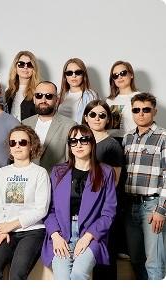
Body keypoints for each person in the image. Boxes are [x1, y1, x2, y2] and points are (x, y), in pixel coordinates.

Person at [42, 125, 117, 279]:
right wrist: (55, 236)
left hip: (91, 235)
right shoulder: (58, 172)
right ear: (69, 146)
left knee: (78, 273)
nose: (79, 145)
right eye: (73, 141)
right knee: (62, 277)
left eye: (84, 140)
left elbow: (108, 213)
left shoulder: (106, 172)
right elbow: (49, 210)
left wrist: (88, 236)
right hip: (62, 234)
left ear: (92, 143)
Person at [0, 125, 50, 279]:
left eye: (22, 142)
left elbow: (41, 209)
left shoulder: (40, 173)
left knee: (17, 274)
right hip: (5, 230)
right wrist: (2, 227)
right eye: (13, 143)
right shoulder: (2, 173)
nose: (17, 146)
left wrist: (10, 226)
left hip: (32, 232)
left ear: (31, 145)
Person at [123, 93, 166, 280]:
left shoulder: (163, 137)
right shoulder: (128, 138)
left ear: (154, 111)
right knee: (135, 258)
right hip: (130, 205)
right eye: (136, 110)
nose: (141, 114)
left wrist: (161, 209)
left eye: (146, 109)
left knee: (154, 262)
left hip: (152, 207)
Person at [83, 101, 127, 279]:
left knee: (104, 257)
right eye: (93, 114)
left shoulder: (112, 145)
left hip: (103, 208)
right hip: (84, 205)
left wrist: (97, 207)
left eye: (102, 115)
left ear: (108, 119)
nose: (97, 118)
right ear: (86, 117)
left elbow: (114, 183)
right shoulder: (81, 141)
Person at [22, 82, 77, 172]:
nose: (43, 100)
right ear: (34, 99)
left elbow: (71, 161)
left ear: (57, 100)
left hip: (56, 181)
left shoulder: (70, 125)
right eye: (39, 95)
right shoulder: (24, 124)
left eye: (49, 96)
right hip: (28, 180)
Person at [106, 61, 140, 140]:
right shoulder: (110, 101)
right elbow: (111, 128)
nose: (119, 77)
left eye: (123, 73)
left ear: (131, 75)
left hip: (134, 140)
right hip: (114, 141)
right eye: (115, 75)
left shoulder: (139, 97)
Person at [57, 58, 98, 122]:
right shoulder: (60, 96)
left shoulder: (91, 96)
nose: (74, 76)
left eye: (78, 72)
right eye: (69, 73)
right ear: (65, 76)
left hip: (80, 131)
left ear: (83, 75)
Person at [4, 51, 41, 121]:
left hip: (29, 131)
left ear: (34, 68)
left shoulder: (38, 92)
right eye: (21, 64)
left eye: (29, 64)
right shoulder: (8, 91)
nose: (25, 67)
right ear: (15, 67)